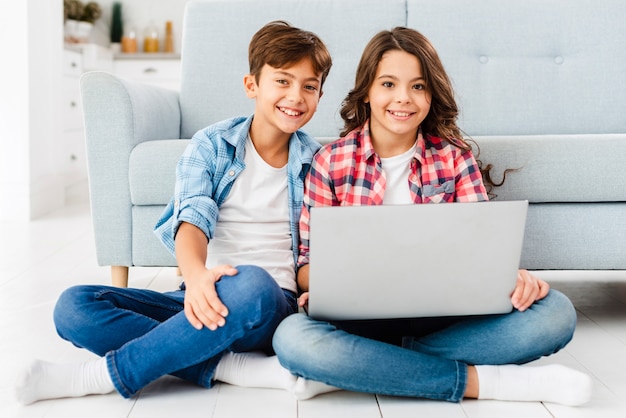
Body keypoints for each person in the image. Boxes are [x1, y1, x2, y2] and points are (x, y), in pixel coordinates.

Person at [271, 27, 594, 406]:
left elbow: (484, 253)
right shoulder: (330, 162)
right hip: (360, 321)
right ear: (368, 92)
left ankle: (364, 367)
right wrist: (330, 285)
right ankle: (482, 383)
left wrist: (514, 278)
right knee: (292, 338)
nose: (403, 99)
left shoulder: (454, 158)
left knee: (556, 312)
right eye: (388, 84)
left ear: (431, 94)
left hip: (443, 319)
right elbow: (306, 265)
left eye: (419, 86)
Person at [15, 20, 332, 405]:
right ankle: (231, 367)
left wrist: (317, 291)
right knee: (74, 306)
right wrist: (197, 279)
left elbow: (318, 249)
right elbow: (192, 220)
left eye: (309, 86)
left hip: (268, 301)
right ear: (252, 85)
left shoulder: (317, 161)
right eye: (282, 81)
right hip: (200, 294)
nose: (295, 96)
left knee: (251, 283)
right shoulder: (213, 145)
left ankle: (96, 376)